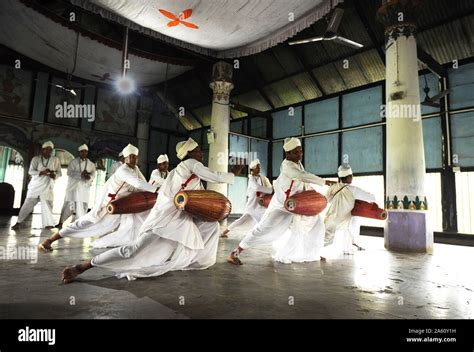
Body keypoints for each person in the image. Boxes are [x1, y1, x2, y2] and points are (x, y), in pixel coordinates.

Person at [60, 137, 243, 283]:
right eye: (197, 150)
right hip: (164, 218)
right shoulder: (189, 164)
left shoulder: (188, 174)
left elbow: (198, 197)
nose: (200, 153)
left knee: (211, 227)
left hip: (179, 218)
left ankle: (194, 259)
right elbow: (215, 176)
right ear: (189, 154)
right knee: (133, 250)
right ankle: (83, 266)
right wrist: (233, 172)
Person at [227, 137, 333, 265]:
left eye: (300, 150)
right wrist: (324, 181)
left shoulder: (298, 164)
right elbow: (301, 176)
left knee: (316, 224)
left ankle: (312, 253)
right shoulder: (287, 166)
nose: (300, 154)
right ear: (288, 153)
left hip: (295, 204)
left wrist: (311, 195)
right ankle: (235, 253)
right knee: (263, 229)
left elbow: (301, 181)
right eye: (296, 152)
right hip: (280, 205)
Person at [38, 144, 158, 252]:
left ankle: (128, 244)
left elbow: (143, 182)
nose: (133, 159)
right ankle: (49, 240)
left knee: (118, 226)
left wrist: (157, 189)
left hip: (121, 205)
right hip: (107, 204)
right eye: (130, 156)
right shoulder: (123, 170)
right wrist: (156, 190)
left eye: (135, 157)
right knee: (85, 223)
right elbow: (137, 183)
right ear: (125, 158)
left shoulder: (135, 169)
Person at [324, 164, 376, 254]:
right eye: (351, 176)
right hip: (342, 221)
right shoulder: (353, 190)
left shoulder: (333, 187)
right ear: (349, 177)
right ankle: (347, 248)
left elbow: (325, 200)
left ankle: (309, 250)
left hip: (330, 219)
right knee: (351, 223)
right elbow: (372, 198)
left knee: (323, 240)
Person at [11, 141, 61, 230]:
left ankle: (48, 224)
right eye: (47, 149)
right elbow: (30, 171)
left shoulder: (55, 160)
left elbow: (59, 173)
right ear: (43, 150)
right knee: (27, 205)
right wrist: (42, 172)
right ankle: (18, 222)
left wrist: (54, 175)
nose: (49, 151)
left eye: (50, 149)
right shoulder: (36, 159)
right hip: (36, 186)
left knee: (48, 205)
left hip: (48, 185)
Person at [221, 159, 272, 238]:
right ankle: (226, 231)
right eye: (258, 167)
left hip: (260, 205)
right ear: (253, 169)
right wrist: (270, 190)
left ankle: (260, 235)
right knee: (243, 220)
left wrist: (269, 190)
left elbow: (267, 188)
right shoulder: (251, 179)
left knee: (262, 219)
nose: (259, 168)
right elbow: (257, 187)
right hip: (252, 205)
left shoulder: (263, 178)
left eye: (260, 166)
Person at [57, 144, 96, 228]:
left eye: (85, 151)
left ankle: (81, 224)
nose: (84, 153)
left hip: (84, 188)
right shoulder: (73, 162)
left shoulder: (91, 164)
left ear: (87, 152)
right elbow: (69, 173)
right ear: (79, 152)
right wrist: (80, 174)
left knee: (82, 206)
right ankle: (60, 222)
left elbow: (93, 174)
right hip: (73, 187)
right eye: (82, 151)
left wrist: (88, 177)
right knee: (67, 204)